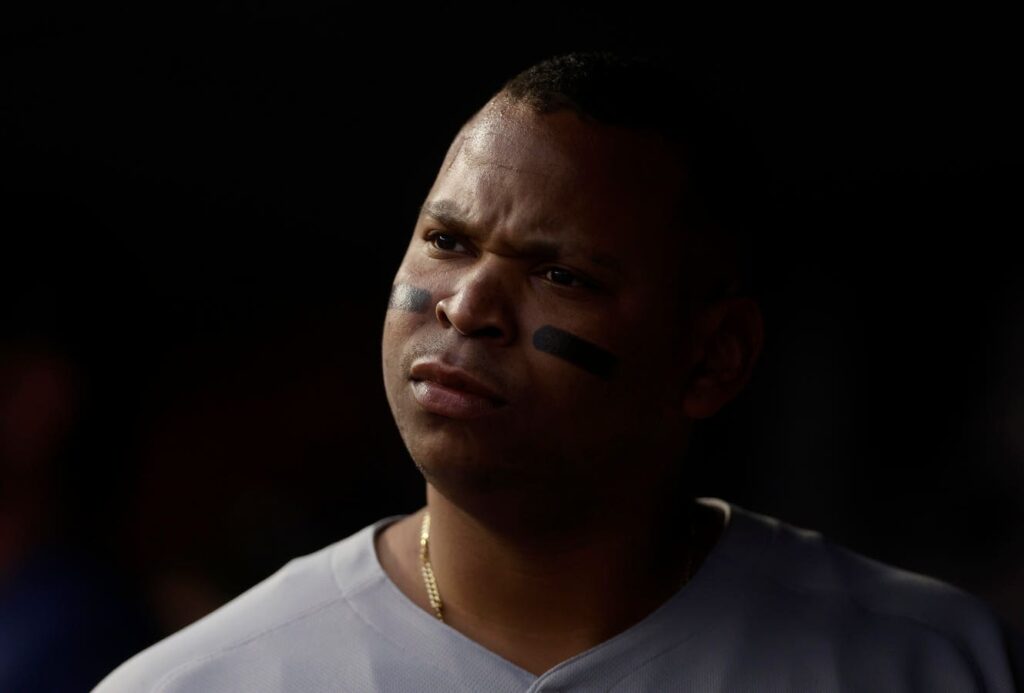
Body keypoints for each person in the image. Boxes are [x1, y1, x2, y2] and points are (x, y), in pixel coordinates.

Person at [95, 51, 1021, 692]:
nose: (467, 306)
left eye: (561, 276)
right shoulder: (201, 680)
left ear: (713, 357)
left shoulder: (932, 664)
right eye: (447, 241)